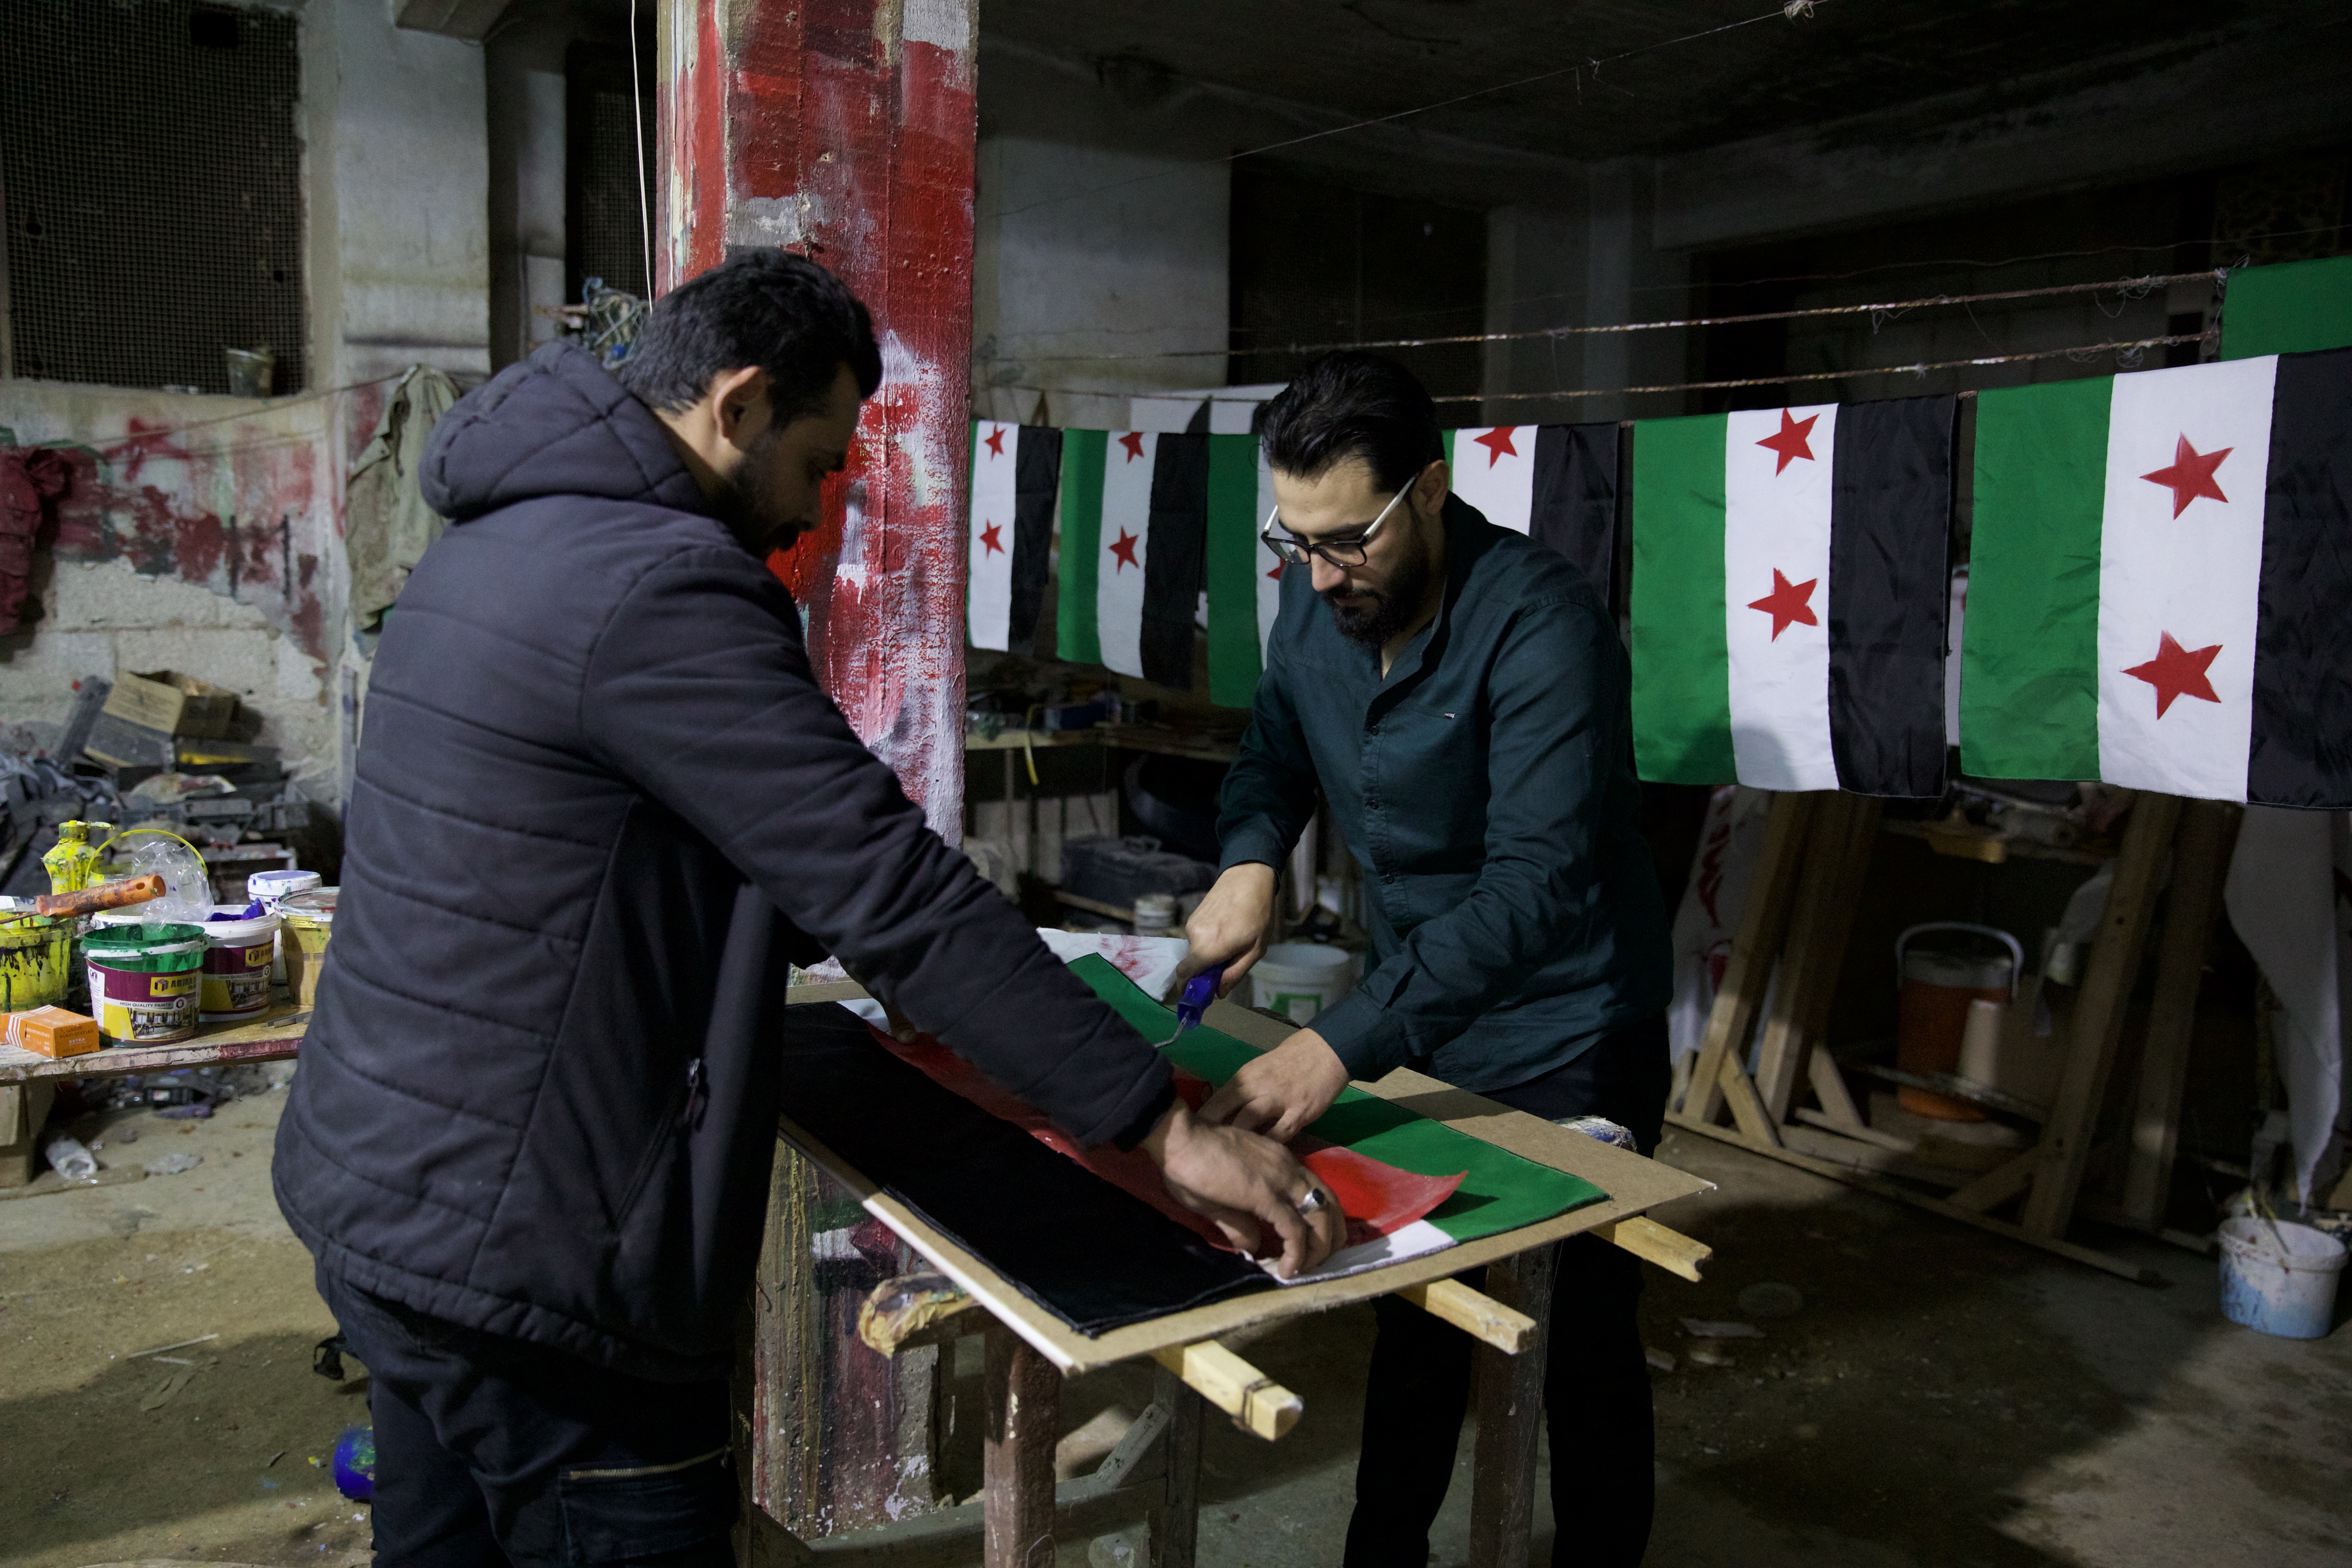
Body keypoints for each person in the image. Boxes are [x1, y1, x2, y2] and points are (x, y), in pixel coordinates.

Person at [273, 251, 1342, 1568]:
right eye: (819, 458)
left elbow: (597, 854)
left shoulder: (494, 539)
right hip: (539, 1261)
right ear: (736, 407)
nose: (818, 502)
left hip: (384, 1196)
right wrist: (1155, 1130)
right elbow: (886, 885)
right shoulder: (661, 583)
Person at [1176, 352, 1673, 1568]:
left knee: (1578, 1339)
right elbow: (1276, 754)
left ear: (1432, 493)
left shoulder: (1544, 629)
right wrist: (1250, 856)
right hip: (1426, 1017)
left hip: (1567, 1031)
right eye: (1297, 542)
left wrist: (1336, 1046)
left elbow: (1534, 888)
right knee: (1418, 1321)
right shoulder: (1317, 604)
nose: (1323, 574)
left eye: (1349, 541)